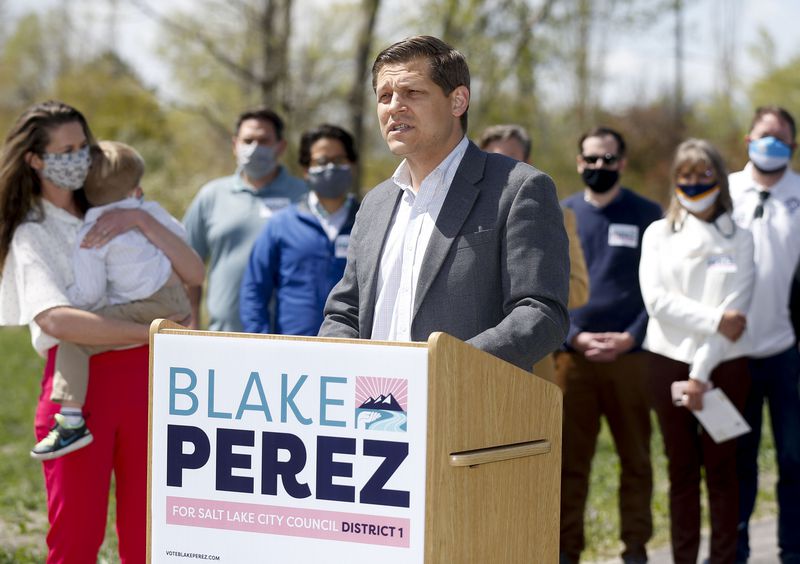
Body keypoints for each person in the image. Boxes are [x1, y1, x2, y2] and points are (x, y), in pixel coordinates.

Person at [0, 101, 203, 562]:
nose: (78, 159)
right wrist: (152, 332)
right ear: (35, 160)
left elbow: (192, 272)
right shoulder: (32, 232)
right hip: (79, 391)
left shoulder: (120, 200)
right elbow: (56, 319)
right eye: (64, 151)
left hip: (150, 382)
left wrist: (140, 219)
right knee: (75, 537)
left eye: (83, 147)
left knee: (150, 535)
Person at [318, 35, 570, 371]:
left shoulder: (519, 188)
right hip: (371, 398)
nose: (394, 106)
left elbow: (540, 313)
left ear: (458, 101)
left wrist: (446, 369)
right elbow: (345, 311)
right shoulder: (374, 203)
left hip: (463, 396)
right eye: (384, 96)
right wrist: (340, 366)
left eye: (412, 92)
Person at [30, 140, 194, 460]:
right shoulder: (146, 210)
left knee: (74, 342)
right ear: (135, 188)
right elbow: (180, 237)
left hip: (148, 306)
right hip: (175, 296)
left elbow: (91, 293)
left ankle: (71, 421)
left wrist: (70, 298)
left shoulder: (92, 232)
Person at [640, 139, 753, 564]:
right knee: (681, 471)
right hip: (665, 361)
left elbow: (736, 316)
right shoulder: (657, 234)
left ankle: (724, 558)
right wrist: (714, 319)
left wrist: (700, 374)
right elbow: (657, 303)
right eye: (685, 174)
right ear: (675, 180)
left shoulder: (741, 238)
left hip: (724, 365)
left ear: (719, 179)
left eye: (703, 174)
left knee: (724, 473)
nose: (694, 183)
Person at [558, 126, 662, 564]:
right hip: (572, 358)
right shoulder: (559, 213)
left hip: (630, 358)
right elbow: (547, 287)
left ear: (622, 163)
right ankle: (566, 550)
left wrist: (632, 336)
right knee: (568, 464)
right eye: (591, 159)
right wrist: (574, 335)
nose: (599, 166)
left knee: (635, 459)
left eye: (607, 159)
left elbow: (659, 287)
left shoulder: (648, 214)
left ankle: (635, 549)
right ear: (579, 162)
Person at [729, 105, 800, 564]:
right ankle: (734, 550)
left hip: (787, 351)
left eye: (780, 136)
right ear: (748, 141)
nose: (771, 143)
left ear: (793, 145)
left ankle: (792, 550)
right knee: (739, 459)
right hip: (732, 352)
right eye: (764, 134)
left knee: (794, 459)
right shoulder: (725, 191)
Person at [479, 124, 590, 385]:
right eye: (492, 158)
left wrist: (523, 289)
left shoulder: (557, 215)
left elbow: (578, 289)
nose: (500, 168)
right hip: (465, 362)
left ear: (527, 162)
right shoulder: (457, 214)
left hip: (530, 368)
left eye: (509, 159)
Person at [183, 107, 307, 331]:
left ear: (281, 146)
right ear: (235, 145)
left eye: (264, 141)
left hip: (291, 336)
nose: (255, 148)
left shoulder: (304, 197)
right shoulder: (211, 196)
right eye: (248, 141)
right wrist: (190, 327)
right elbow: (186, 268)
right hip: (223, 336)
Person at [240, 124, 360, 335]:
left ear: (352, 165)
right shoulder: (281, 225)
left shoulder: (369, 222)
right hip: (292, 348)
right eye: (321, 162)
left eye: (339, 160)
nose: (330, 168)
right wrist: (260, 342)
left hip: (354, 346)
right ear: (305, 170)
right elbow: (254, 291)